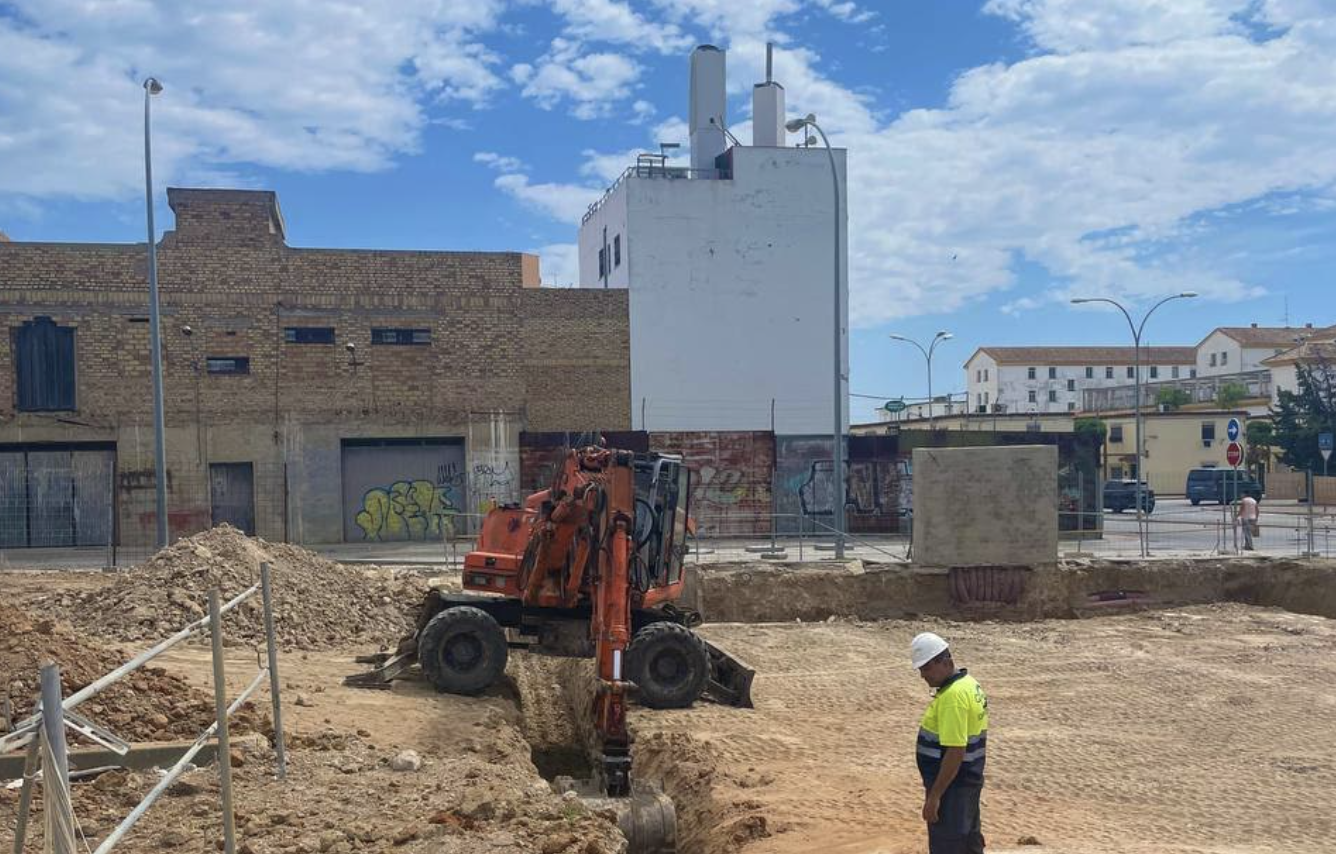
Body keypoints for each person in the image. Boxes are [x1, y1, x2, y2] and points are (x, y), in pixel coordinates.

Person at [912, 632, 989, 854]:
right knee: (969, 843)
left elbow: (955, 751)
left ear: (946, 662)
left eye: (927, 668)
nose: (923, 675)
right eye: (920, 669)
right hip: (967, 781)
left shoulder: (952, 698)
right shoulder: (969, 684)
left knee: (949, 846)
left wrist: (935, 797)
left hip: (952, 789)